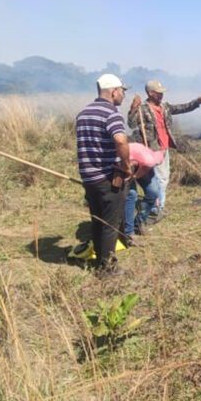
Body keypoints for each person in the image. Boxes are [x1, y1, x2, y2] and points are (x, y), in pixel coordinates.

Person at [127, 80, 201, 223]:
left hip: (164, 149)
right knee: (156, 179)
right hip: (151, 150)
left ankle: (158, 206)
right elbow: (131, 124)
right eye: (158, 93)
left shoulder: (165, 107)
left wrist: (197, 102)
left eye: (162, 93)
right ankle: (155, 208)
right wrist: (133, 108)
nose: (161, 95)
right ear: (150, 93)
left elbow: (182, 108)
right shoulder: (143, 108)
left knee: (164, 178)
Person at [75, 74, 132, 276]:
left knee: (97, 221)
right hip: (107, 178)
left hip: (88, 178)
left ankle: (100, 261)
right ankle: (107, 268)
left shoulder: (83, 113)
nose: (124, 95)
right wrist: (126, 166)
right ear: (114, 91)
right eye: (122, 91)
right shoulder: (112, 113)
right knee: (110, 224)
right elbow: (120, 140)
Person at [122, 142, 165, 245]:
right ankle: (129, 233)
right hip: (125, 163)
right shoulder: (122, 156)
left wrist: (134, 176)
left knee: (153, 192)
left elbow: (142, 171)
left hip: (144, 165)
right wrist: (127, 175)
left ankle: (139, 222)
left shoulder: (150, 161)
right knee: (131, 195)